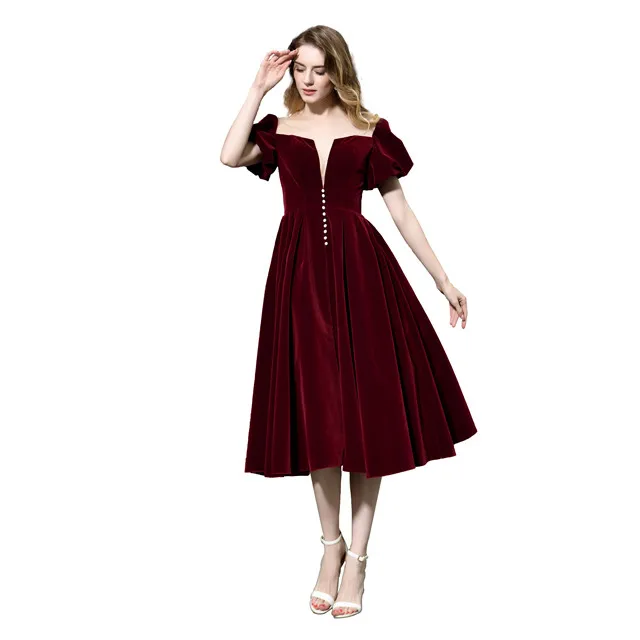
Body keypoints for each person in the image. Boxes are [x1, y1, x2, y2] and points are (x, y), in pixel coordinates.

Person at [220, 25, 478, 619]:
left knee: (365, 416)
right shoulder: (280, 128)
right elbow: (230, 156)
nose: (308, 80)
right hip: (299, 281)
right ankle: (329, 548)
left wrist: (443, 280)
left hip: (361, 275)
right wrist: (257, 89)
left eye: (319, 69)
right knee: (319, 415)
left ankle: (358, 558)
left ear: (338, 70)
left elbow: (400, 211)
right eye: (299, 69)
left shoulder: (369, 130)